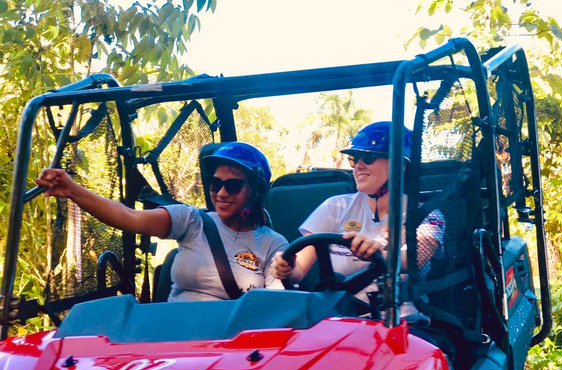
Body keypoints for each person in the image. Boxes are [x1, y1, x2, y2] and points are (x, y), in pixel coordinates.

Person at [35, 142, 288, 301]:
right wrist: (72, 190)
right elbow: (129, 217)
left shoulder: (272, 243)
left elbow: (275, 304)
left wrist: (287, 270)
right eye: (215, 183)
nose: (221, 193)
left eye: (232, 186)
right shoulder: (192, 220)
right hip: (174, 338)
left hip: (236, 347)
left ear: (255, 190)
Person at [272, 121, 445, 310]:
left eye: (368, 158)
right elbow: (299, 271)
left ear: (400, 165)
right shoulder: (335, 206)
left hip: (402, 321)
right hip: (340, 319)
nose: (358, 166)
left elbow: (414, 260)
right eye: (354, 159)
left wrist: (379, 254)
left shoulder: (426, 214)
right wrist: (286, 267)